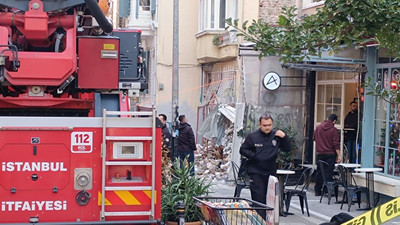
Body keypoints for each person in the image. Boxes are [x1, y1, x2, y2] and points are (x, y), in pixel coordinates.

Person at [239, 114, 291, 220]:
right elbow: (243, 149)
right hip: (256, 172)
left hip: (271, 172)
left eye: (269, 125)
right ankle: (260, 221)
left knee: (271, 201)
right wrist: (255, 156)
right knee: (259, 200)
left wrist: (284, 137)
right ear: (260, 125)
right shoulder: (253, 136)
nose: (267, 127)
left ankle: (269, 221)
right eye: (264, 125)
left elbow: (287, 149)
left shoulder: (277, 135)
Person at [314, 114, 342, 196]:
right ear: (334, 121)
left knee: (319, 172)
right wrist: (339, 155)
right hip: (330, 154)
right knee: (328, 172)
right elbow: (335, 144)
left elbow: (314, 138)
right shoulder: (334, 130)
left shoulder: (318, 128)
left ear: (327, 118)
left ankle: (317, 190)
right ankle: (326, 190)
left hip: (319, 153)